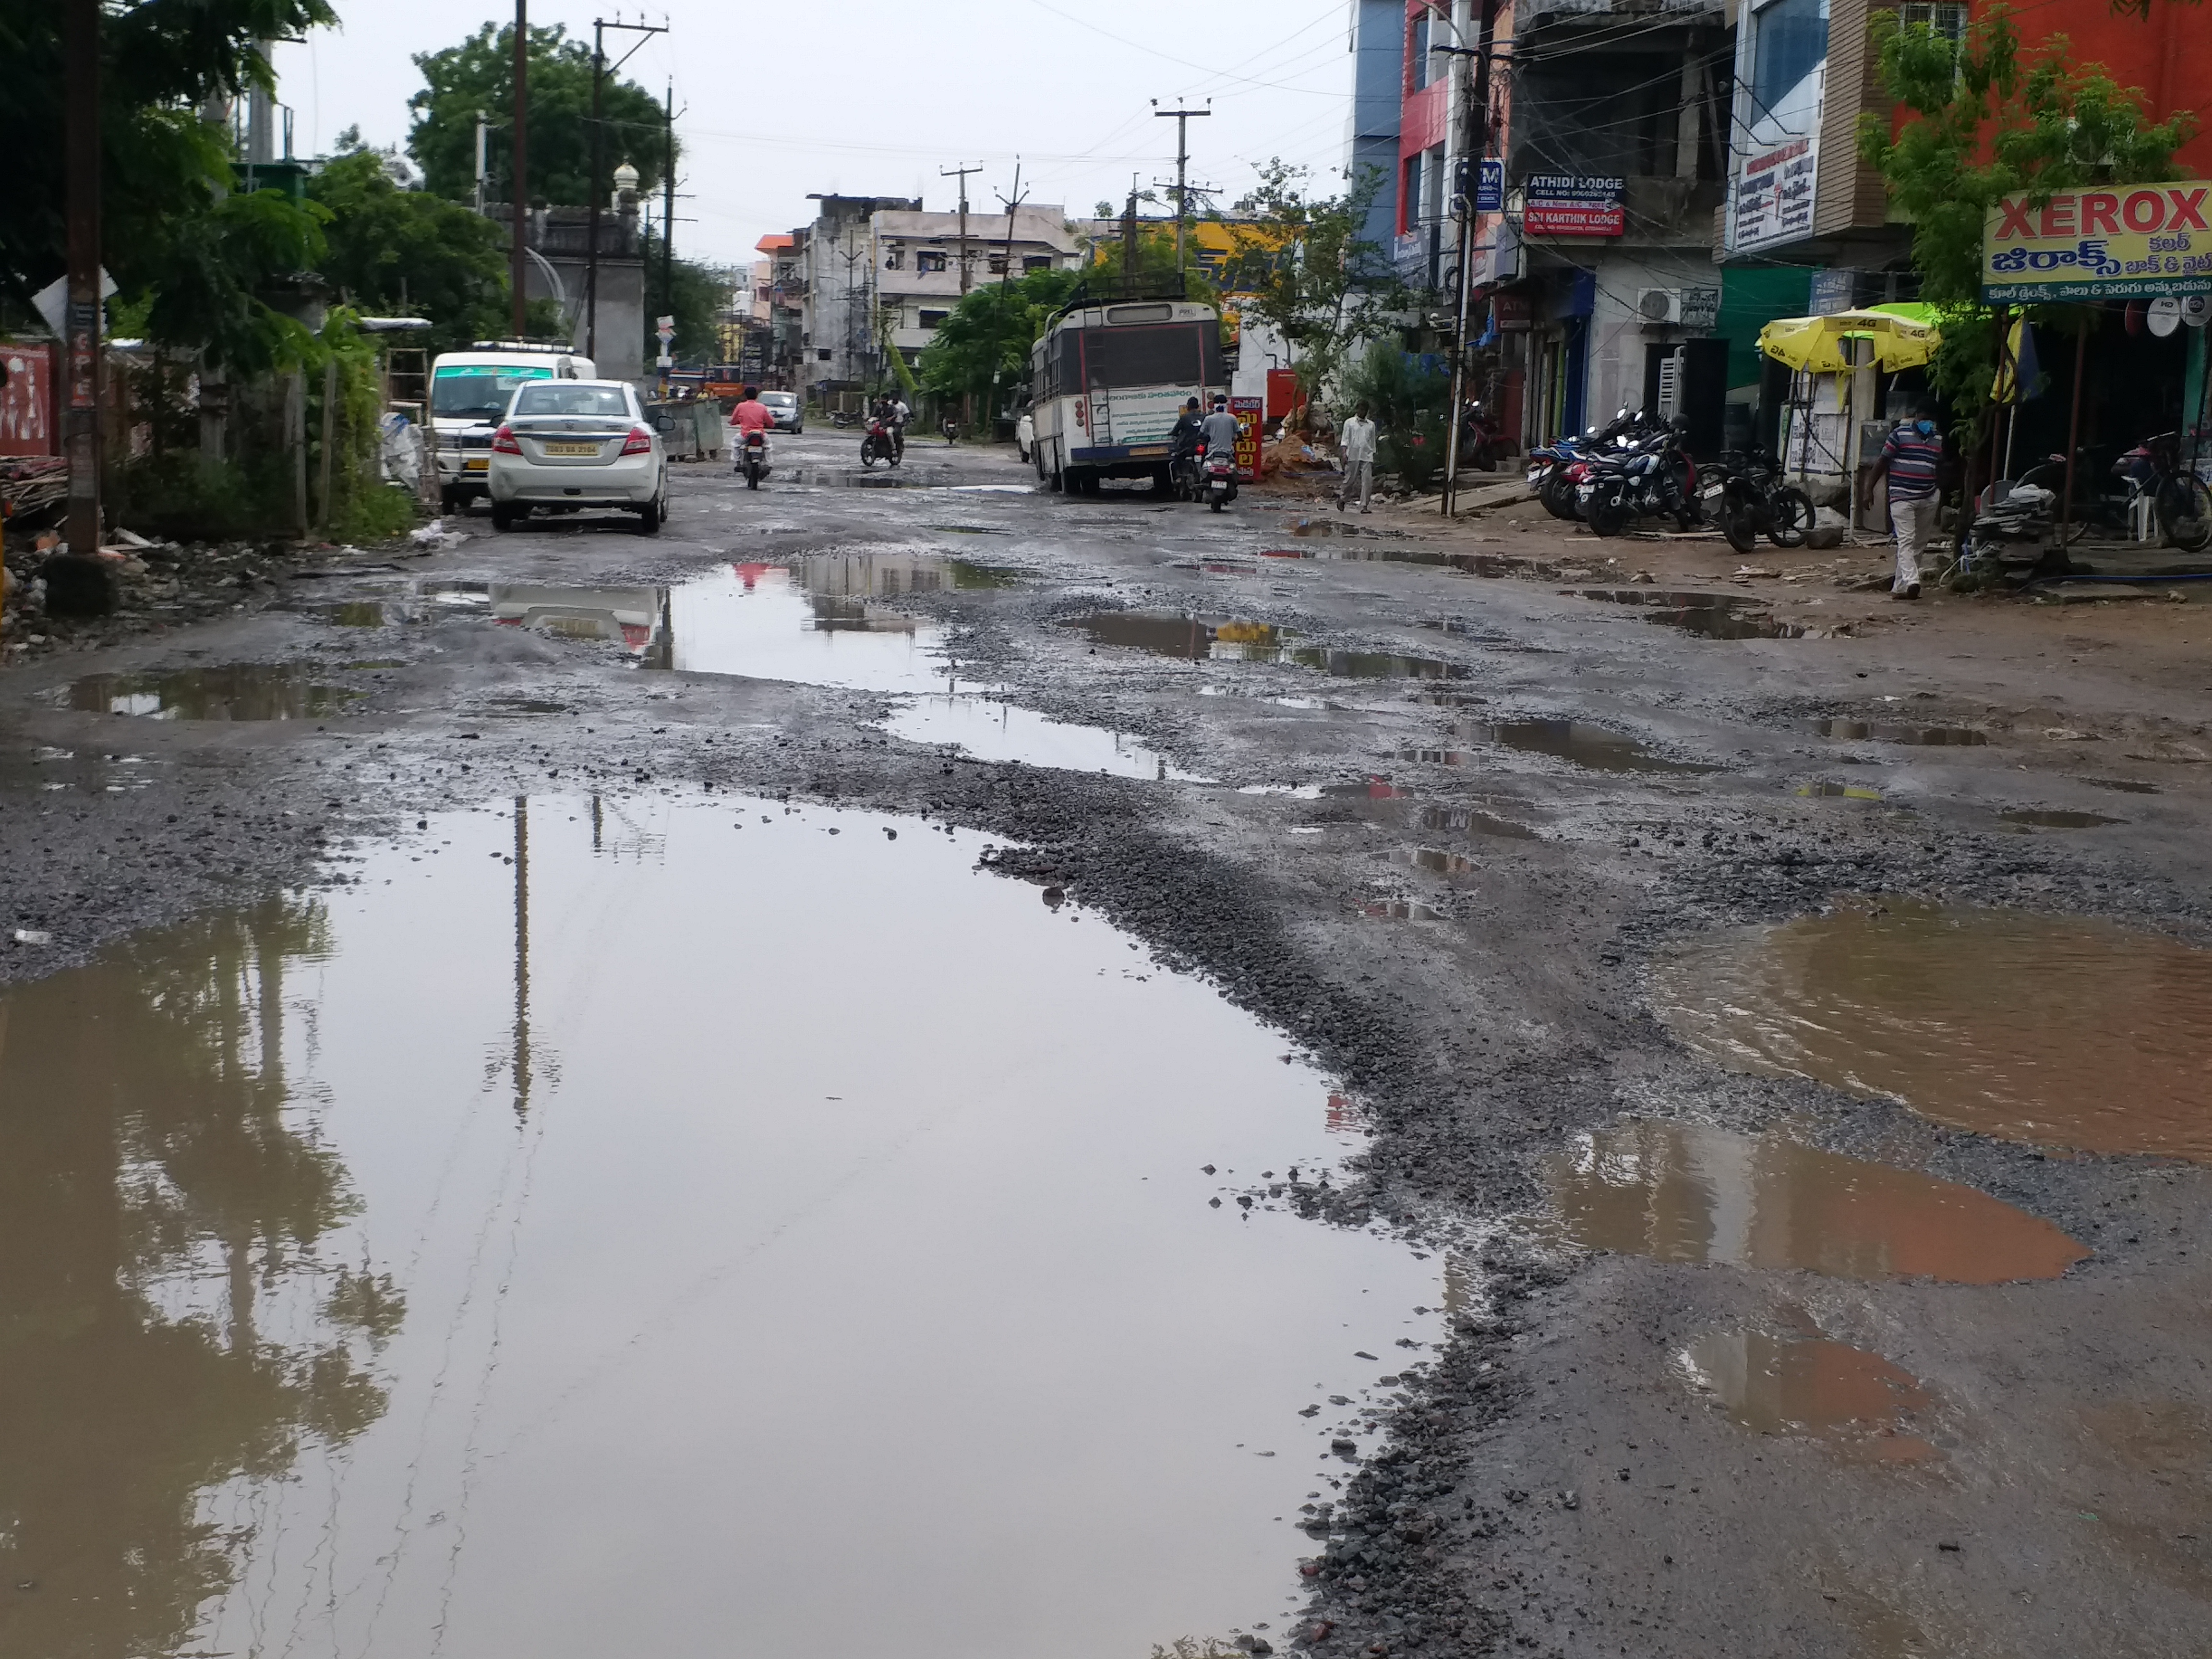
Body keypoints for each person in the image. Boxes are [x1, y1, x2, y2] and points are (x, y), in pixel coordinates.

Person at [1862, 395, 1946, 599]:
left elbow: (1939, 465)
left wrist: (1938, 491)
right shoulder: (1899, 435)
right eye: (1924, 418)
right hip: (1902, 497)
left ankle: (1901, 588)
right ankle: (1913, 581)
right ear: (1916, 417)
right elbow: (1882, 462)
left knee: (1919, 544)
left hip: (1928, 496)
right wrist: (1868, 489)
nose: (1927, 423)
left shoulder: (1937, 439)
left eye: (1931, 420)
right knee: (1906, 541)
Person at [1199, 394, 1242, 502]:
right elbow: (1240, 435)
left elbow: (1201, 434)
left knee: (1202, 465)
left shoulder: (1209, 419)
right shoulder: (1232, 418)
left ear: (1214, 405)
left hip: (1212, 454)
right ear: (1226, 404)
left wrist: (1208, 438)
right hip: (1228, 454)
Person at [1339, 400, 1378, 513]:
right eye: (1360, 409)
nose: (1362, 412)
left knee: (1367, 481)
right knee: (1350, 480)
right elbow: (1345, 440)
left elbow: (1372, 442)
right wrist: (1344, 454)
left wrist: (1373, 454)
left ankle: (1364, 506)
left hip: (1367, 455)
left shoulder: (1371, 425)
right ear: (1357, 410)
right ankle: (1343, 498)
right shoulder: (1350, 423)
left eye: (1364, 410)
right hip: (1353, 455)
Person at [731, 385, 773, 472]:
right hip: (760, 434)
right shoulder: (762, 407)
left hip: (745, 435)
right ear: (756, 396)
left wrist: (735, 422)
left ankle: (738, 462)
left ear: (746, 396)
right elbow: (770, 422)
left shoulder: (741, 406)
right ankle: (768, 464)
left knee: (735, 443)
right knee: (768, 446)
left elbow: (733, 420)